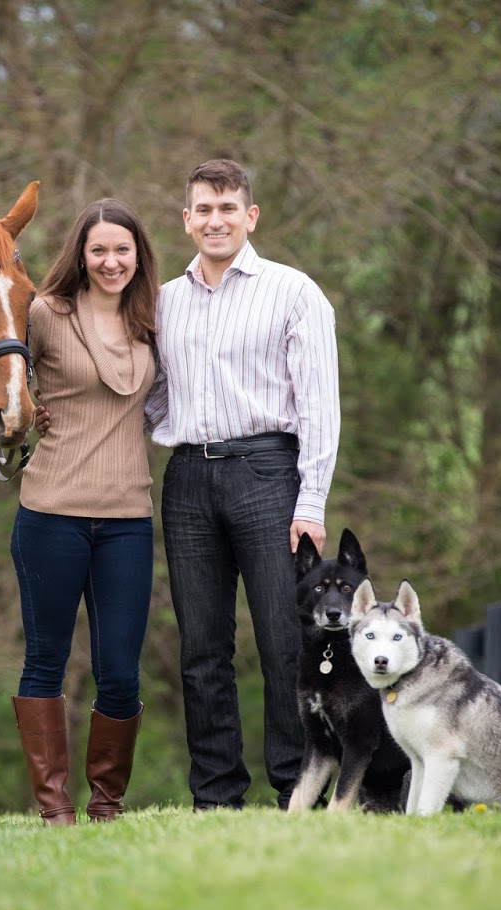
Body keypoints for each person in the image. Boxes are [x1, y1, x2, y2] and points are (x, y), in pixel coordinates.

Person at [144, 158, 341, 811]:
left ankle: (295, 787)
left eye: (228, 208)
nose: (215, 220)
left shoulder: (293, 292)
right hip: (188, 479)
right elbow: (152, 398)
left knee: (285, 640)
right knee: (201, 647)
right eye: (203, 208)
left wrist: (311, 501)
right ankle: (216, 795)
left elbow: (319, 406)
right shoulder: (163, 302)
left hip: (268, 474)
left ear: (250, 216)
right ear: (186, 219)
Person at [9, 198, 161, 826]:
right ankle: (54, 808)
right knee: (45, 660)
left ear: (138, 256)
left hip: (127, 518)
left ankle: (106, 804)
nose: (111, 261)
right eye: (99, 249)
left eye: (122, 250)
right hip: (51, 511)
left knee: (120, 671)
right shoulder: (45, 315)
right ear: (81, 253)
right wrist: (25, 409)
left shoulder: (153, 318)